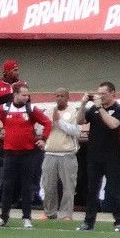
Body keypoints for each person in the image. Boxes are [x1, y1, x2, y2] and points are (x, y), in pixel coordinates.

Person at [0, 86, 49, 228]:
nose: (26, 98)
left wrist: (44, 139)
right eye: (23, 95)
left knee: (27, 187)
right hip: (10, 154)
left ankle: (27, 218)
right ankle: (4, 218)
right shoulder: (4, 108)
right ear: (15, 94)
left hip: (28, 154)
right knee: (7, 186)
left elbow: (47, 123)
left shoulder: (31, 109)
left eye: (27, 95)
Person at [78, 82, 120, 232]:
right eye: (98, 94)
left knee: (114, 190)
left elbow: (113, 125)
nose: (100, 96)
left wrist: (100, 108)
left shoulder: (119, 110)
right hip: (94, 155)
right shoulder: (93, 109)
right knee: (92, 189)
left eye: (103, 94)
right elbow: (80, 121)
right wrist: (82, 105)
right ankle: (89, 221)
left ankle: (119, 221)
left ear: (112, 93)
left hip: (112, 156)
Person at [41, 87, 81, 221]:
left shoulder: (73, 111)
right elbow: (41, 128)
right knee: (48, 185)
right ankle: (49, 212)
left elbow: (76, 131)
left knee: (68, 186)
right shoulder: (49, 111)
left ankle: (66, 214)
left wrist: (59, 121)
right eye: (56, 96)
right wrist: (51, 122)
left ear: (68, 97)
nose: (59, 98)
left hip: (67, 153)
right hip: (50, 152)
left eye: (62, 96)